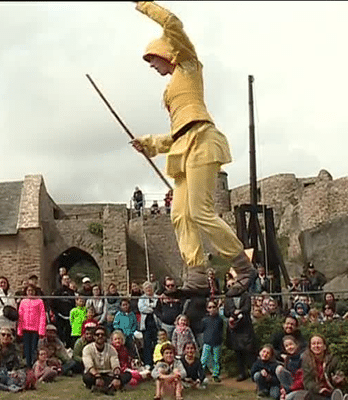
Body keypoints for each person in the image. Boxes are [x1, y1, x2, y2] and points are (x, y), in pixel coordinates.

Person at [130, 1, 256, 298]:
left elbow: (172, 23)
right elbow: (177, 134)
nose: (151, 66)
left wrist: (144, 5)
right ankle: (197, 275)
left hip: (202, 142)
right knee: (180, 215)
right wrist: (148, 144)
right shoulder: (172, 88)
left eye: (152, 59)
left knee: (200, 211)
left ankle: (243, 265)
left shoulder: (188, 65)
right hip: (185, 146)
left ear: (165, 53)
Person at [284, 335, 345, 400]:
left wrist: (338, 380)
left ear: (324, 346)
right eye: (313, 344)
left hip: (331, 389)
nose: (316, 346)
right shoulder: (307, 361)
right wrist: (319, 389)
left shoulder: (333, 360)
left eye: (319, 343)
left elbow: (340, 375)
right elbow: (307, 381)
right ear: (310, 347)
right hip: (316, 391)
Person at [82, 325, 131, 395]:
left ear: (105, 337)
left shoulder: (111, 349)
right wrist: (97, 376)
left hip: (109, 375)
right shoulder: (87, 349)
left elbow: (115, 365)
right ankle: (110, 386)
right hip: (94, 375)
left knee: (127, 375)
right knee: (86, 377)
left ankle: (102, 387)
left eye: (102, 334)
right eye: (97, 334)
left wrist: (117, 378)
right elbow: (89, 366)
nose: (100, 336)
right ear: (94, 337)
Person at [224, 285, 256, 382]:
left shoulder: (245, 296)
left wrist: (240, 311)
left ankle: (253, 372)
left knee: (249, 350)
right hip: (234, 327)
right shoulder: (227, 298)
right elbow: (226, 312)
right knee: (238, 352)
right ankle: (242, 373)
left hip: (245, 326)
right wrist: (234, 313)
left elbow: (247, 308)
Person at [17, 285, 47, 369]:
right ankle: (28, 365)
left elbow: (42, 316)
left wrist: (41, 330)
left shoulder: (39, 301)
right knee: (26, 348)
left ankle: (35, 365)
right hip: (25, 328)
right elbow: (20, 315)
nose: (30, 292)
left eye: (32, 290)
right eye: (29, 290)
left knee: (34, 348)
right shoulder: (23, 302)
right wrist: (19, 330)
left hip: (35, 329)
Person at [200, 299, 224, 383]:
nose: (212, 309)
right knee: (204, 359)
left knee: (216, 359)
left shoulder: (219, 319)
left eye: (214, 307)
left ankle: (215, 374)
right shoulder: (205, 320)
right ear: (207, 309)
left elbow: (221, 329)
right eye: (210, 307)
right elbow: (202, 329)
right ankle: (200, 374)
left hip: (217, 342)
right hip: (207, 342)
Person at [49, 275, 76, 348]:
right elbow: (52, 303)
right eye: (65, 279)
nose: (66, 281)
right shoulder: (57, 291)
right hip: (59, 315)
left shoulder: (71, 292)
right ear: (61, 281)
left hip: (69, 316)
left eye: (68, 279)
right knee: (60, 333)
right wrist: (54, 313)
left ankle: (69, 347)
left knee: (69, 333)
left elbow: (73, 304)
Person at [138, 281, 158, 368]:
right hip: (146, 324)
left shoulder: (157, 297)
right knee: (147, 344)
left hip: (156, 323)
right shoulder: (141, 298)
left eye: (150, 287)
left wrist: (151, 307)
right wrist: (152, 308)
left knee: (157, 342)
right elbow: (142, 309)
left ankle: (157, 361)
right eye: (146, 288)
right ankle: (148, 363)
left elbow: (158, 307)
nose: (148, 289)